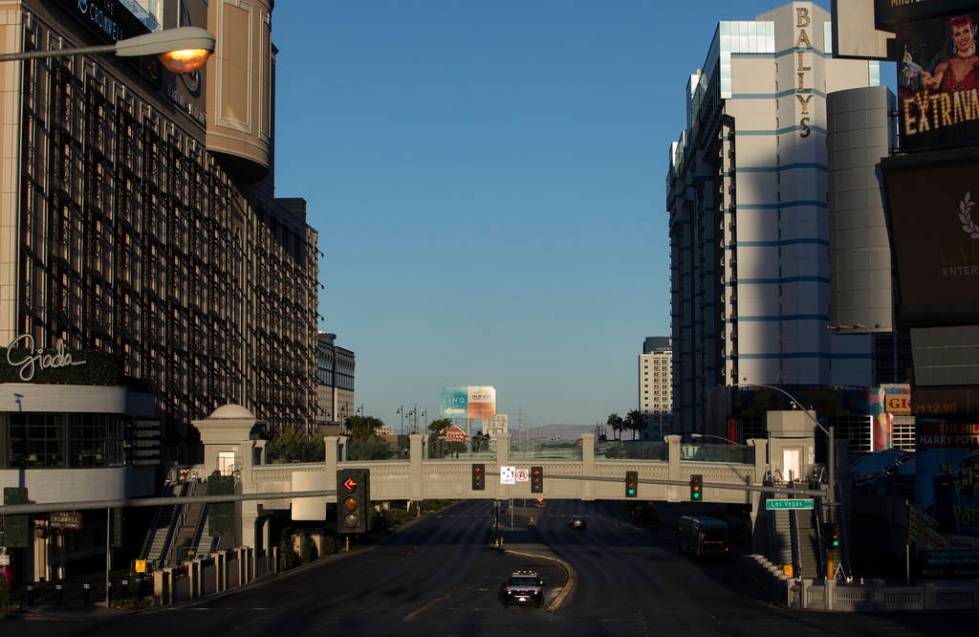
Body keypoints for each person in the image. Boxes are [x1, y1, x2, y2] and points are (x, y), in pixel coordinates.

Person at [921, 15, 979, 92]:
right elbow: (934, 84)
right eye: (957, 34)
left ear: (973, 31)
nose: (963, 37)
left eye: (966, 31)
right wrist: (928, 83)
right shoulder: (945, 66)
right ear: (953, 38)